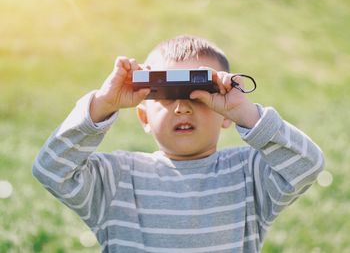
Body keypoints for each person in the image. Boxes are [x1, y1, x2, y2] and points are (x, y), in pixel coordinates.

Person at [32, 35, 324, 253]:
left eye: (199, 95)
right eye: (168, 94)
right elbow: (51, 170)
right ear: (144, 115)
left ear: (225, 116)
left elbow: (307, 165)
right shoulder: (118, 178)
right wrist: (103, 104)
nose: (183, 108)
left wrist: (246, 113)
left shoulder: (248, 174)